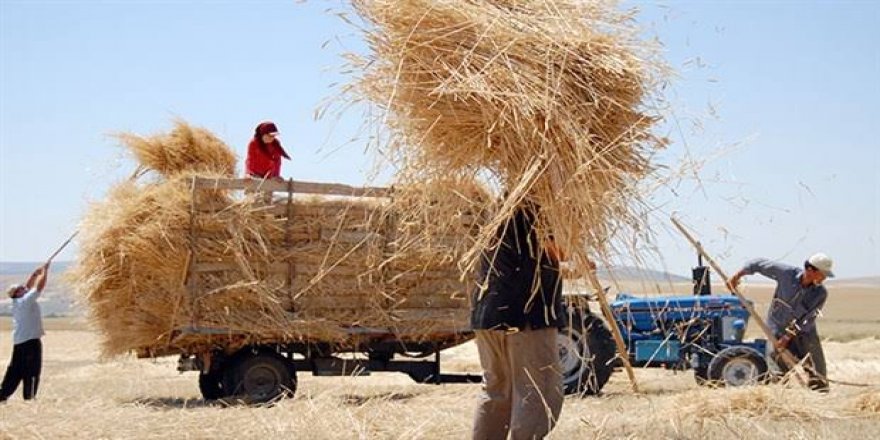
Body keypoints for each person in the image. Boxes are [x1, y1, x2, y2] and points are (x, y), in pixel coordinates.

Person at [470, 201, 565, 440]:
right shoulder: (539, 208)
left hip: (488, 315)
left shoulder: (497, 210)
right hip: (525, 317)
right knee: (538, 390)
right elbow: (557, 252)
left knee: (497, 392)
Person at [729, 253, 834, 391]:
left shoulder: (820, 293)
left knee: (817, 371)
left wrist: (788, 336)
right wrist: (737, 277)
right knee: (777, 370)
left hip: (804, 335)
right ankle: (782, 397)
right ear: (810, 270)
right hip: (776, 331)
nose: (824, 278)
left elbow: (808, 319)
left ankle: (819, 397)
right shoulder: (786, 274)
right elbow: (758, 263)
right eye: (822, 274)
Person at [1, 263, 49, 402]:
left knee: (15, 371)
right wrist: (45, 272)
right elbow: (39, 287)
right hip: (30, 342)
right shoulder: (26, 301)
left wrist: (35, 274)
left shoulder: (18, 302)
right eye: (21, 288)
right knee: (32, 369)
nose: (25, 288)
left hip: (20, 342)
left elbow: (29, 286)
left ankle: (2, 395)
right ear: (17, 293)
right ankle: (29, 397)